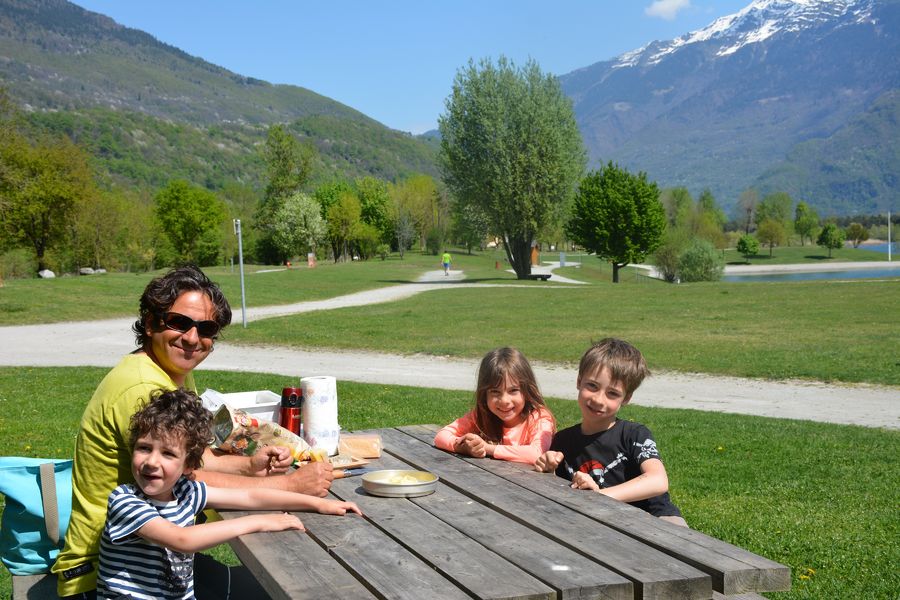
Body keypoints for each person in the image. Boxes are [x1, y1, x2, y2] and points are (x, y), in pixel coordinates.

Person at [54, 265, 334, 598]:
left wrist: (250, 466)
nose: (191, 337)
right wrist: (290, 485)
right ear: (150, 323)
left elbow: (190, 458)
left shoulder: (167, 369)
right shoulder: (144, 388)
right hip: (113, 576)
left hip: (158, 561)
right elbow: (190, 478)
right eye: (179, 322)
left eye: (205, 328)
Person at [97, 389, 361, 600]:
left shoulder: (185, 491)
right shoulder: (125, 501)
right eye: (144, 448)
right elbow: (182, 539)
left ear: (189, 465)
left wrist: (316, 503)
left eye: (168, 453)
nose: (151, 462)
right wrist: (261, 522)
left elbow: (250, 497)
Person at [534, 338, 686, 526]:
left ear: (626, 398)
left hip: (656, 518)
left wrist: (599, 496)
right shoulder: (563, 441)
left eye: (612, 393)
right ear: (579, 381)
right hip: (603, 523)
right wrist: (548, 469)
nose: (599, 399)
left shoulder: (634, 434)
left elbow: (657, 481)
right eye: (592, 386)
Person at [434, 347, 555, 464]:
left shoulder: (539, 418)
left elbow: (537, 453)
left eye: (513, 390)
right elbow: (440, 436)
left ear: (527, 390)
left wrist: (487, 448)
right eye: (495, 392)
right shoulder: (481, 415)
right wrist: (462, 447)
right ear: (484, 393)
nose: (504, 400)